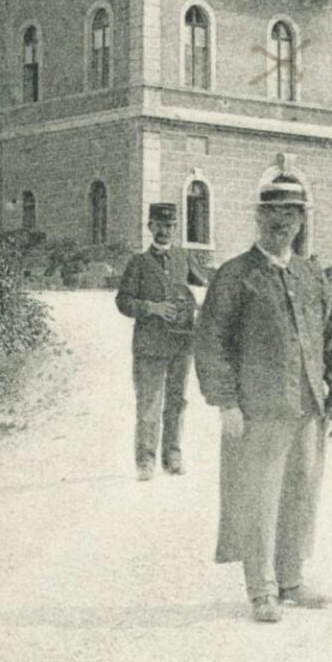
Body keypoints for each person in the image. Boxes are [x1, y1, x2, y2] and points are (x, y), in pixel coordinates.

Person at [194, 174, 332, 623]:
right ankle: (261, 589)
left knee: (301, 493)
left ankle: (290, 580)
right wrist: (226, 402)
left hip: (307, 409)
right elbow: (211, 342)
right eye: (273, 213)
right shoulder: (236, 276)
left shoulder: (310, 274)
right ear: (259, 218)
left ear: (301, 222)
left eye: (291, 214)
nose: (282, 223)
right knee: (258, 498)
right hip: (258, 411)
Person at [114, 202, 209, 481]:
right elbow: (123, 301)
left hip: (182, 342)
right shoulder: (138, 264)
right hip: (150, 344)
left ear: (176, 228)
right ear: (150, 227)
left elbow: (205, 285)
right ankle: (145, 461)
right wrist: (152, 308)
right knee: (149, 403)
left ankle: (173, 455)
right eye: (159, 225)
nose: (164, 231)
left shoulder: (184, 258)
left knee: (177, 401)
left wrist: (200, 304)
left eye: (170, 226)